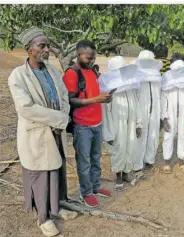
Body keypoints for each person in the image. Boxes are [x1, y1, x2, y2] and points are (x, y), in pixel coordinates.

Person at [8, 26, 77, 237]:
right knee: (40, 174)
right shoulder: (18, 75)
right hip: (37, 134)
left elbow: (64, 96)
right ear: (29, 49)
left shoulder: (53, 71)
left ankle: (57, 208)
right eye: (42, 45)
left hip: (56, 131)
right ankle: (43, 218)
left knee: (57, 171)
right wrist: (59, 119)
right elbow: (26, 108)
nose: (47, 49)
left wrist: (63, 116)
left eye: (47, 45)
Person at [63, 40, 112, 208]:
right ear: (78, 54)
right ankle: (86, 192)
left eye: (94, 58)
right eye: (88, 58)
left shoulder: (93, 72)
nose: (91, 61)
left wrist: (104, 98)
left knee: (96, 158)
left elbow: (94, 93)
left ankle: (96, 186)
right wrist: (95, 100)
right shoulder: (72, 74)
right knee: (84, 161)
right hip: (82, 125)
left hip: (96, 122)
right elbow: (69, 100)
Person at [102, 56, 142, 190]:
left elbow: (137, 106)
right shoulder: (108, 91)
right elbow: (106, 114)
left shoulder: (130, 87)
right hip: (116, 126)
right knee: (118, 149)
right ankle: (118, 176)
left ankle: (126, 174)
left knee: (131, 147)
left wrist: (138, 124)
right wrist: (108, 134)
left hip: (131, 123)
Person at [161, 59, 184, 174]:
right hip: (170, 116)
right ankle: (167, 162)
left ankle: (181, 161)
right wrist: (164, 119)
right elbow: (163, 102)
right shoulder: (167, 84)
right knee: (168, 137)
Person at [133, 50, 163, 178]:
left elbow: (159, 94)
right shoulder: (135, 75)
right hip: (141, 111)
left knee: (153, 135)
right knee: (140, 137)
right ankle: (137, 165)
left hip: (154, 110)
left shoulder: (156, 75)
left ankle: (149, 160)